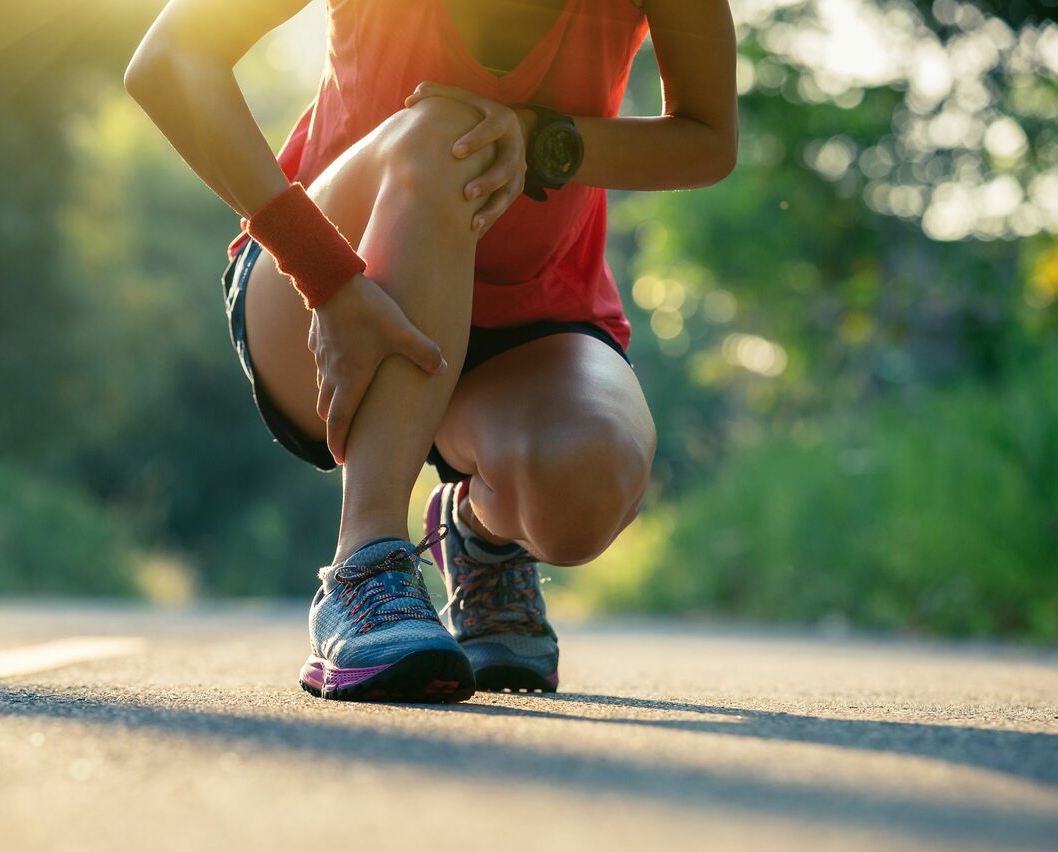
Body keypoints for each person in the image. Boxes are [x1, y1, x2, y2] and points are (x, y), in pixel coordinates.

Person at [125, 0, 737, 702]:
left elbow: (707, 139)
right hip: (329, 285)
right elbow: (169, 59)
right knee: (451, 131)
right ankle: (365, 566)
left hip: (533, 314)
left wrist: (541, 140)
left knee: (587, 481)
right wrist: (324, 274)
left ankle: (478, 535)